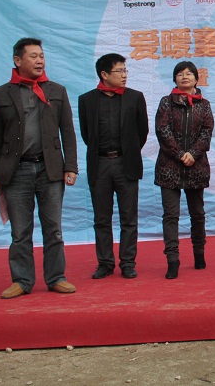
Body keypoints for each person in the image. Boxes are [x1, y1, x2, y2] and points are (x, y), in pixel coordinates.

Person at [0, 37, 78, 299]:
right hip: (15, 172)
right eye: (33, 56)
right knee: (20, 232)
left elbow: (68, 132)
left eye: (42, 56)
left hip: (50, 170)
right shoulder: (1, 94)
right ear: (17, 60)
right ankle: (22, 280)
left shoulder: (56, 91)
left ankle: (56, 277)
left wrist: (70, 166)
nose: (40, 61)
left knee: (54, 229)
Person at [79, 54, 149, 279]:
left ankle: (128, 262)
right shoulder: (87, 100)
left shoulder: (135, 98)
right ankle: (105, 263)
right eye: (119, 71)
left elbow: (142, 132)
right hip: (99, 163)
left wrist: (128, 151)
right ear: (104, 74)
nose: (124, 75)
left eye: (125, 70)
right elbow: (87, 134)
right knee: (101, 218)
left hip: (126, 163)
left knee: (129, 218)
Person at [155, 61, 214, 280]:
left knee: (197, 214)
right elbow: (162, 130)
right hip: (169, 166)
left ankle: (199, 253)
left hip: (196, 166)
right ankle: (173, 260)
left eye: (189, 73)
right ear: (175, 79)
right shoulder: (166, 102)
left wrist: (193, 154)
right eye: (180, 74)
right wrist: (180, 154)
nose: (185, 77)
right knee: (170, 215)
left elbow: (207, 132)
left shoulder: (204, 105)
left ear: (197, 79)